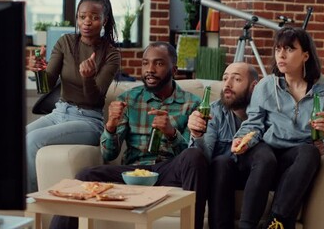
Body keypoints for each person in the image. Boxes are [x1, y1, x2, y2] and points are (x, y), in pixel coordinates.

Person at [49, 41, 208, 229]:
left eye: (158, 63)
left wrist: (171, 133)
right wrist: (110, 126)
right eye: (145, 63)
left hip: (169, 170)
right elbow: (109, 155)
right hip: (132, 172)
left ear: (174, 70)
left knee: (194, 155)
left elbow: (195, 157)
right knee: (85, 175)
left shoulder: (193, 104)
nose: (150, 69)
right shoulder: (129, 99)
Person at [231, 26, 324, 229]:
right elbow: (253, 125)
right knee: (266, 158)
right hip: (264, 152)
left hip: (293, 161)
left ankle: (276, 223)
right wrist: (243, 139)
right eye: (278, 49)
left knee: (310, 152)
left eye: (289, 49)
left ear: (305, 55)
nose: (281, 55)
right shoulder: (267, 86)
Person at [26, 0, 121, 193]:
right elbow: (46, 86)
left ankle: (33, 200)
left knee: (34, 140)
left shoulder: (111, 54)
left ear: (104, 21)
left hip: (88, 121)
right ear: (77, 18)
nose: (87, 22)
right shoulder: (65, 42)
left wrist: (88, 78)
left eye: (95, 18)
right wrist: (39, 70)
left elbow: (94, 98)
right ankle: (17, 197)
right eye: (82, 16)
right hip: (59, 113)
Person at [187, 62, 260, 229]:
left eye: (236, 79)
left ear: (253, 86)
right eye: (225, 78)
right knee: (221, 162)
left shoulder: (264, 113)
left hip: (256, 177)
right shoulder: (214, 112)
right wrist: (197, 135)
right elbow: (203, 159)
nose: (227, 84)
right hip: (223, 176)